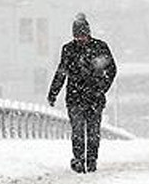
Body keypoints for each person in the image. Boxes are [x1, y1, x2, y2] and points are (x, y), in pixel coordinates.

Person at [47, 13, 117, 173]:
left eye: (82, 35)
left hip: (94, 97)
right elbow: (61, 72)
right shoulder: (68, 49)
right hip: (75, 97)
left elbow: (111, 69)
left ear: (88, 33)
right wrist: (53, 92)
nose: (80, 39)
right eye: (77, 36)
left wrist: (102, 88)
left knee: (93, 131)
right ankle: (79, 159)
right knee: (78, 131)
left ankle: (91, 160)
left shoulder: (100, 47)